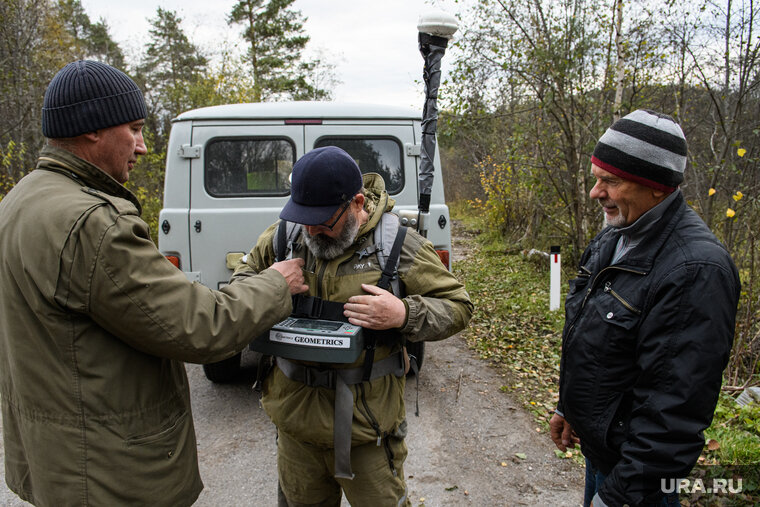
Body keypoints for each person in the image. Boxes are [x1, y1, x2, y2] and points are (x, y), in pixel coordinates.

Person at [0, 60, 308, 506]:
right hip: (109, 474)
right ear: (93, 129)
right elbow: (202, 327)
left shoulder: (21, 199)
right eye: (135, 128)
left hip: (57, 457)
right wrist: (276, 283)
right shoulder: (93, 225)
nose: (143, 147)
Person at [233, 146, 473, 506]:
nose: (311, 230)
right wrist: (269, 283)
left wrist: (403, 314)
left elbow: (458, 306)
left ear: (357, 204)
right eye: (304, 217)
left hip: (368, 436)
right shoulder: (285, 237)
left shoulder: (398, 246)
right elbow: (238, 290)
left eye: (324, 221)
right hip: (297, 431)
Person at [549, 110, 740, 507]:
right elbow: (591, 335)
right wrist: (569, 407)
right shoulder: (616, 237)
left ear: (657, 187)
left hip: (638, 483)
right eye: (596, 177)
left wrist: (619, 496)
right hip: (602, 455)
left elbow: (674, 411)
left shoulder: (695, 270)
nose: (595, 192)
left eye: (611, 181)